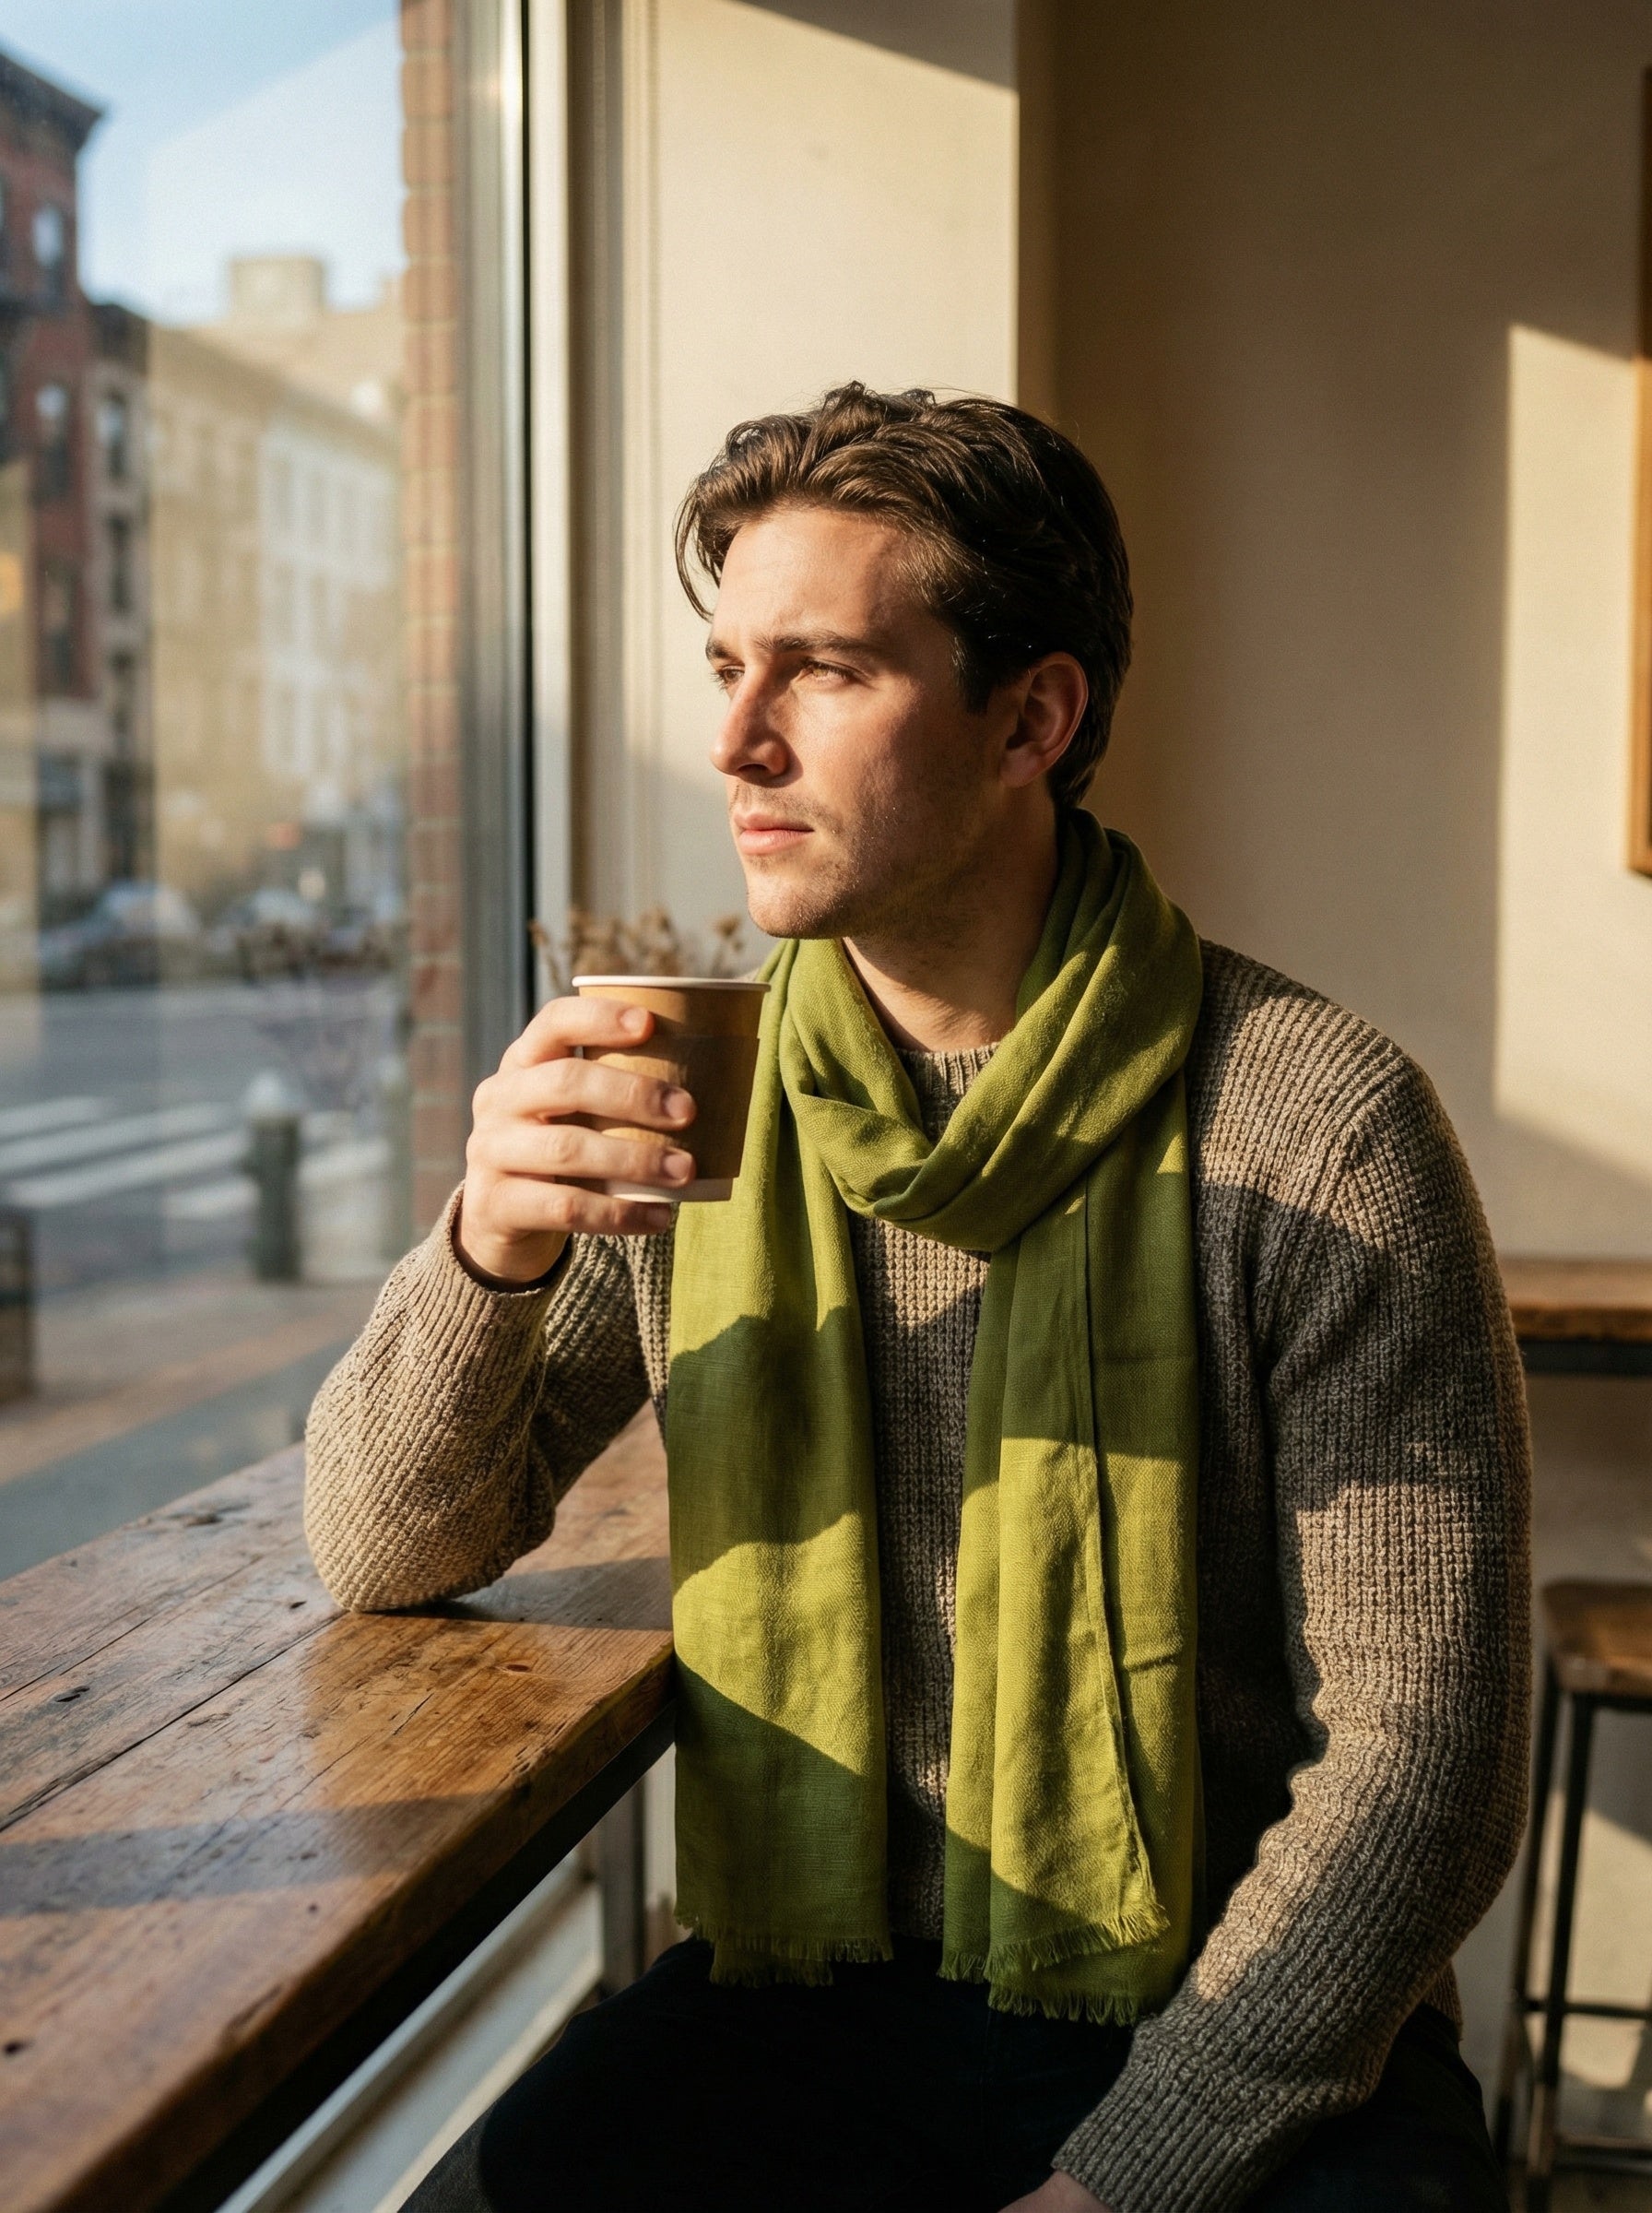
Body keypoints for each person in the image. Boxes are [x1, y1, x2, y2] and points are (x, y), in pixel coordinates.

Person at [305, 385, 1529, 2213]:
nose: (733, 742)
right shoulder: (692, 1095)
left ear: (1030, 716)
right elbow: (385, 1543)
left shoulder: (1310, 1121)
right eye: (722, 664)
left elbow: (1416, 1764)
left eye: (822, 672)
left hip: (1233, 2012)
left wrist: (1128, 2175)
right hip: (816, 1980)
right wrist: (486, 1247)